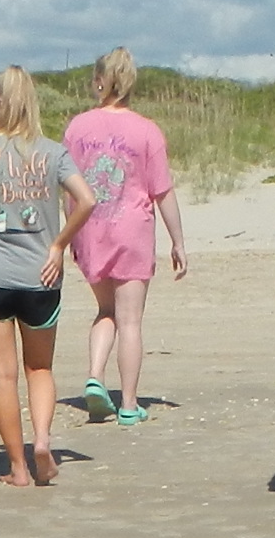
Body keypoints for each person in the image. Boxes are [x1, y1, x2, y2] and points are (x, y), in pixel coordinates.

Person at [0, 65, 97, 488]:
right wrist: (58, 244)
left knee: (3, 374)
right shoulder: (52, 152)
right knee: (39, 368)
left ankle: (17, 467)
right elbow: (87, 200)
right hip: (41, 274)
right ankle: (41, 440)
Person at [63, 47, 189, 424]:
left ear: (101, 81)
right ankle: (130, 404)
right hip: (132, 231)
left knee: (105, 311)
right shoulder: (147, 130)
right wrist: (178, 240)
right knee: (130, 320)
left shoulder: (77, 127)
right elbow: (161, 191)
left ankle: (95, 376)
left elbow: (66, 186)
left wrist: (66, 234)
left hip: (90, 230)